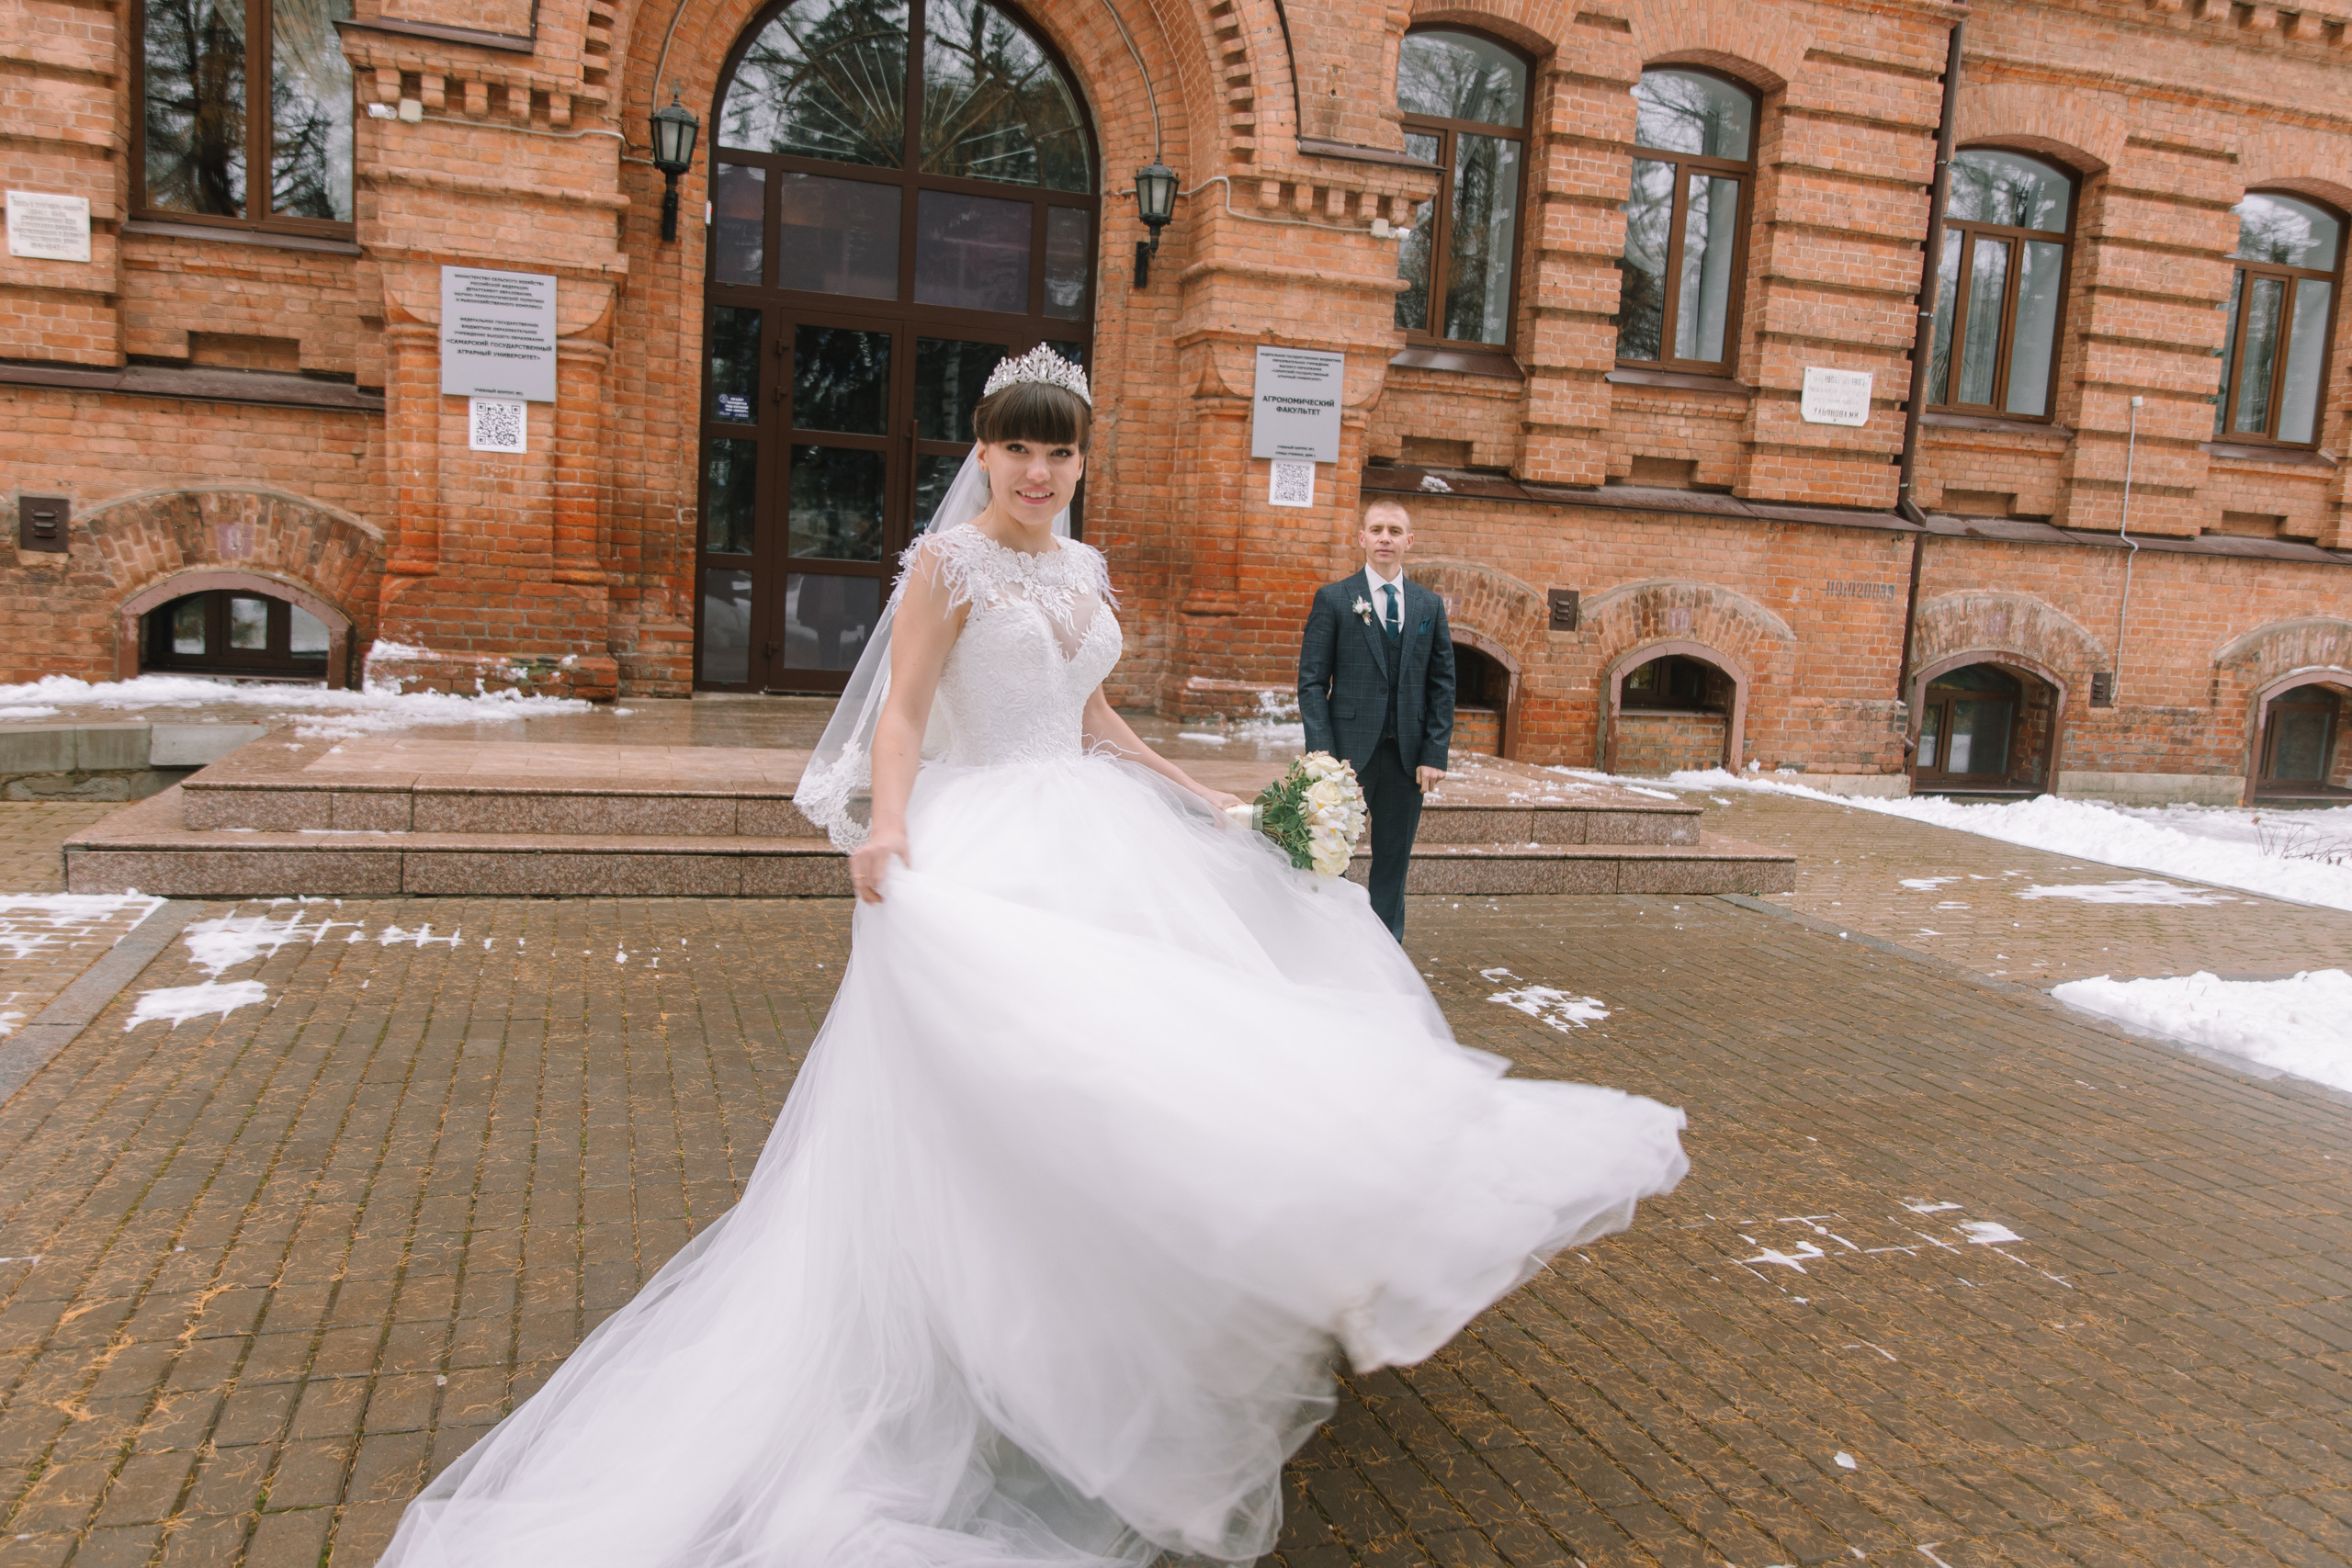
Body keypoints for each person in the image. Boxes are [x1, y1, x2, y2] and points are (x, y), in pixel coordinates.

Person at [376, 348, 1686, 1568]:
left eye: (1058, 452)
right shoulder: (945, 565)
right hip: (985, 833)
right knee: (1035, 1073)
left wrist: (1208, 794)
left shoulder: (1086, 563)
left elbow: (1096, 711)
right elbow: (899, 709)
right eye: (1017, 447)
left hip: (1095, 822)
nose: (1039, 471)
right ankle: (990, 1348)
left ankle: (1135, 1310)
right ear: (986, 452)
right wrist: (887, 826)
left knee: (1162, 1058)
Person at [1296, 499, 1455, 941]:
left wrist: (1434, 753)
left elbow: (1442, 684)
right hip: (1347, 755)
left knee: (1393, 860)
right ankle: (1334, 943)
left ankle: (1387, 952)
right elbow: (1311, 682)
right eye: (1377, 529)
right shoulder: (1334, 599)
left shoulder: (1429, 605)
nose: (1385, 537)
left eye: (1394, 530)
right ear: (1362, 538)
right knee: (1333, 855)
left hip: (1407, 758)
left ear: (1409, 541)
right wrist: (1323, 755)